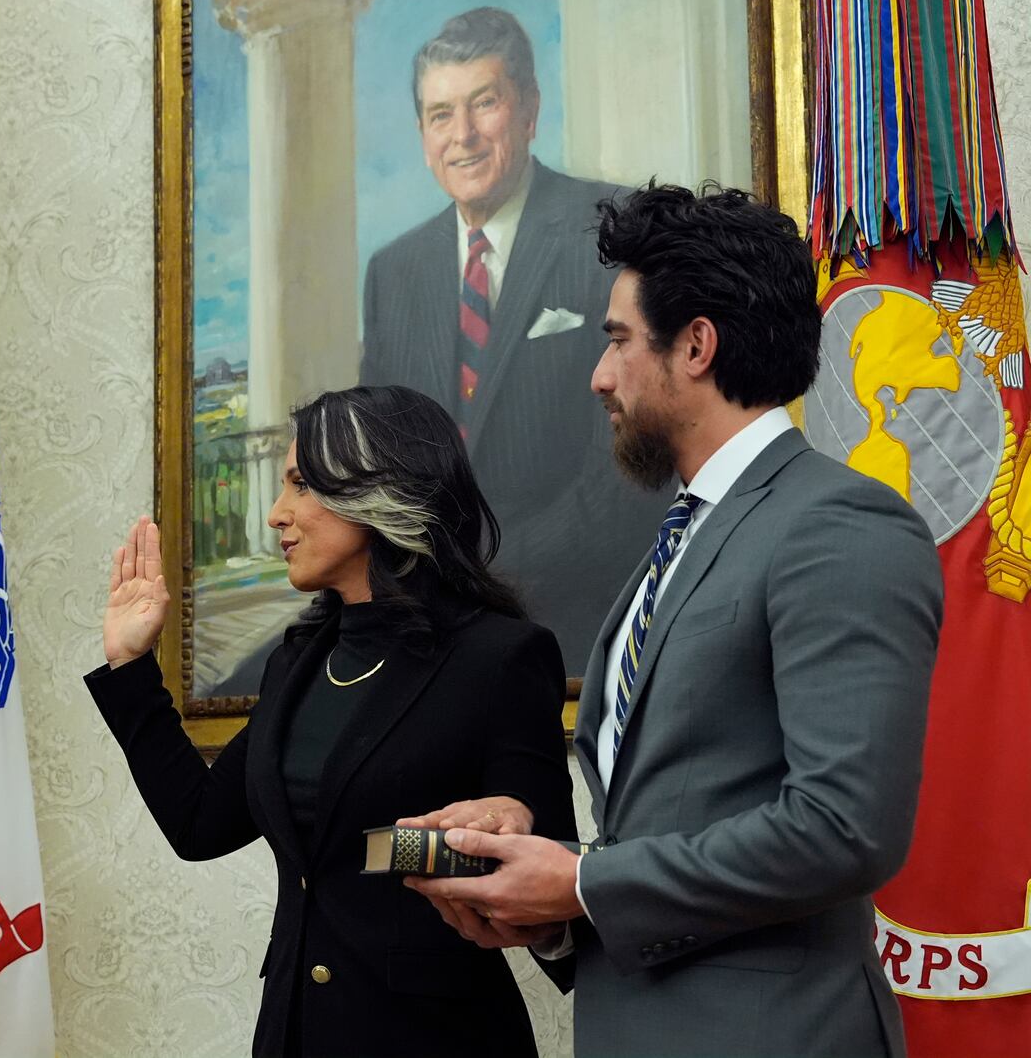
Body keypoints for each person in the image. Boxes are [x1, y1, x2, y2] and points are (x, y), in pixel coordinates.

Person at [403, 184, 945, 1056]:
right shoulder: (685, 536)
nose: (599, 375)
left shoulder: (838, 524)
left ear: (696, 345)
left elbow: (845, 829)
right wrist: (548, 907)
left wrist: (583, 883)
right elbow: (667, 828)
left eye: (617, 340)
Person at [86, 385, 575, 1057]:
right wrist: (130, 665)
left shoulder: (500, 658)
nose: (276, 515)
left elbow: (548, 879)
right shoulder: (300, 662)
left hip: (435, 1041)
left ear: (379, 491)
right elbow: (198, 825)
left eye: (299, 485)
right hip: (294, 1035)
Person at [360, 5, 670, 668]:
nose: (463, 135)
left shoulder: (612, 233)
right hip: (427, 638)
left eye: (485, 103)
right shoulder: (393, 273)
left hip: (578, 632)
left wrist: (475, 580)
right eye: (441, 114)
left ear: (528, 110)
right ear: (422, 132)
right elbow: (379, 469)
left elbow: (629, 477)